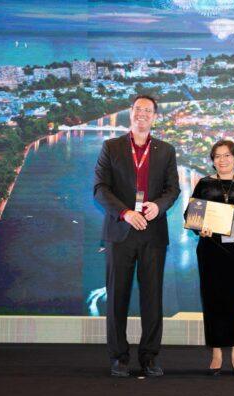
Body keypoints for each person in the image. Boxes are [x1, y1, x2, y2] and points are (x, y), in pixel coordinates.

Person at [94, 95, 180, 378]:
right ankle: (119, 358)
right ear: (130, 113)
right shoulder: (111, 147)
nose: (142, 114)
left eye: (148, 111)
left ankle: (149, 357)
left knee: (152, 299)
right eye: (138, 109)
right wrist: (125, 212)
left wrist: (159, 206)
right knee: (117, 297)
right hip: (121, 232)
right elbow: (100, 189)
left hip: (153, 234)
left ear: (154, 116)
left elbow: (173, 189)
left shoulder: (166, 150)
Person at [185, 140, 234, 376]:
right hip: (210, 249)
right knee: (212, 299)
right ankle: (216, 352)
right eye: (217, 156)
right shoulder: (204, 183)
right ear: (213, 160)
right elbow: (191, 215)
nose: (222, 160)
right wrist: (199, 228)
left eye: (227, 155)